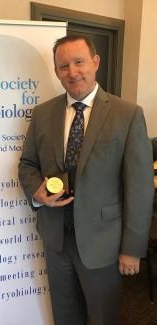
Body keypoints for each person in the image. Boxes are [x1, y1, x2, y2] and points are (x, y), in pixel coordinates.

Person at [18, 35, 154, 325]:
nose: (72, 72)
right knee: (65, 316)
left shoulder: (127, 115)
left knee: (103, 317)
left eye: (79, 62)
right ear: (56, 71)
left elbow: (140, 188)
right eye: (63, 66)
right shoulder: (43, 114)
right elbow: (28, 163)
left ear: (95, 62)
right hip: (57, 240)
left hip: (102, 242)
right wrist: (36, 193)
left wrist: (131, 249)